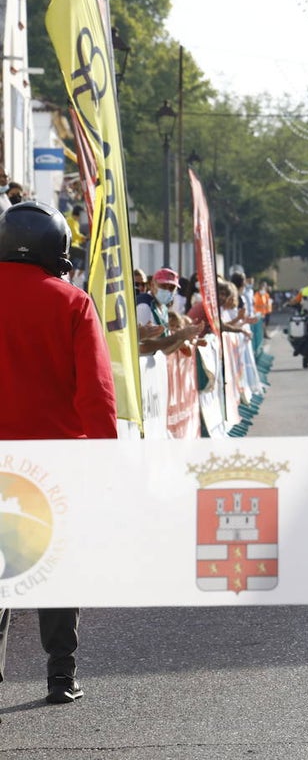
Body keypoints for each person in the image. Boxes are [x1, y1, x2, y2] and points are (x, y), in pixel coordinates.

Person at [0, 201, 117, 706]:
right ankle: (60, 676)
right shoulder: (72, 303)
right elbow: (96, 393)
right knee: (55, 567)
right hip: (55, 460)